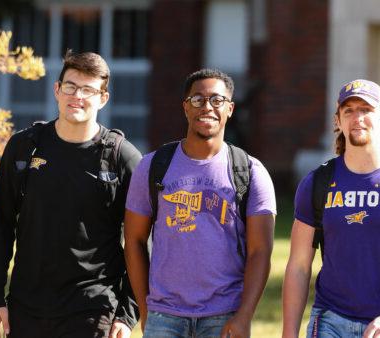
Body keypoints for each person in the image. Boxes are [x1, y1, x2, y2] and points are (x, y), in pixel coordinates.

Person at [0, 51, 141, 338]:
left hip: (94, 309)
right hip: (26, 308)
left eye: (88, 90)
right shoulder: (24, 148)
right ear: (57, 90)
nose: (77, 96)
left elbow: (141, 241)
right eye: (70, 86)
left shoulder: (122, 158)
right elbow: (2, 227)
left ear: (103, 98)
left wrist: (127, 315)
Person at [124, 68, 276, 337]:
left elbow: (260, 252)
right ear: (185, 107)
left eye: (217, 100)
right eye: (198, 100)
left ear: (230, 109)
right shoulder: (152, 166)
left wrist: (244, 316)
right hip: (164, 315)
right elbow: (134, 240)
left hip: (224, 316)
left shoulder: (250, 171)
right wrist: (147, 310)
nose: (207, 107)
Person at [282, 79, 380, 338]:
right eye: (348, 111)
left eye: (366, 110)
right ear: (337, 120)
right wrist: (289, 333)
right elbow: (299, 266)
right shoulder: (317, 183)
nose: (357, 117)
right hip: (330, 321)